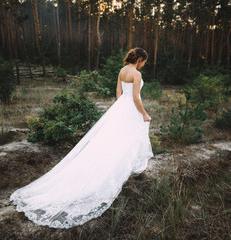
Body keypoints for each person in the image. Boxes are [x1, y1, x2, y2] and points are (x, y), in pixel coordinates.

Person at [10, 47, 154, 229]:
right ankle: (127, 168)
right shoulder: (136, 74)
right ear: (140, 59)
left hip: (119, 108)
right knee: (126, 140)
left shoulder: (122, 71)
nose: (143, 65)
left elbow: (118, 93)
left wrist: (119, 110)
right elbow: (135, 97)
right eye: (143, 62)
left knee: (112, 140)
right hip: (130, 108)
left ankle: (122, 166)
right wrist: (144, 114)